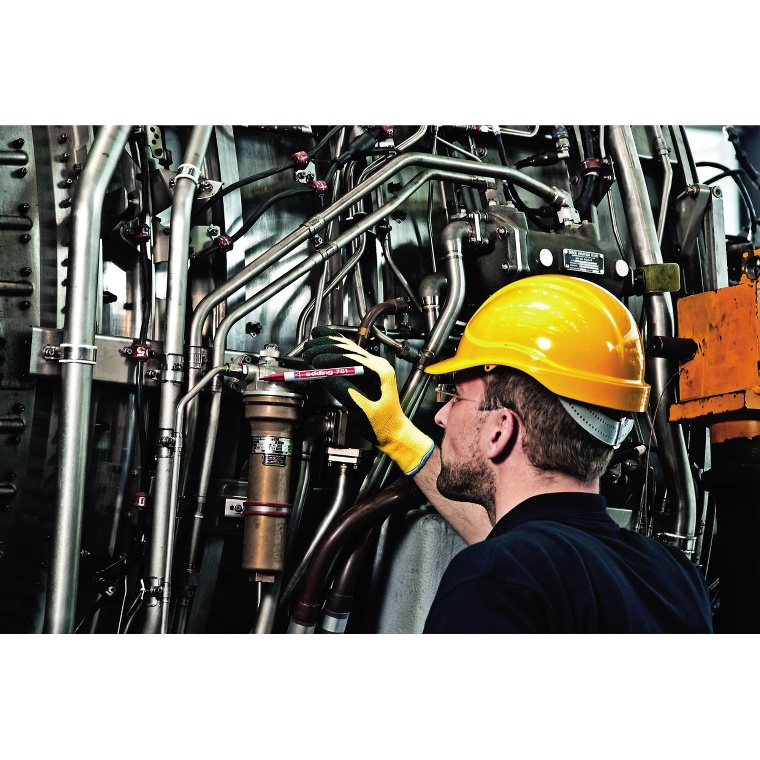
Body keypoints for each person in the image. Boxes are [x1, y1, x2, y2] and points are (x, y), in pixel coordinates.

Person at [302, 274, 713, 633]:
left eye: (455, 397)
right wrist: (398, 436)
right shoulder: (673, 576)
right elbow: (532, 547)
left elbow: (521, 562)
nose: (441, 415)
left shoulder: (495, 579)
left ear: (501, 430)